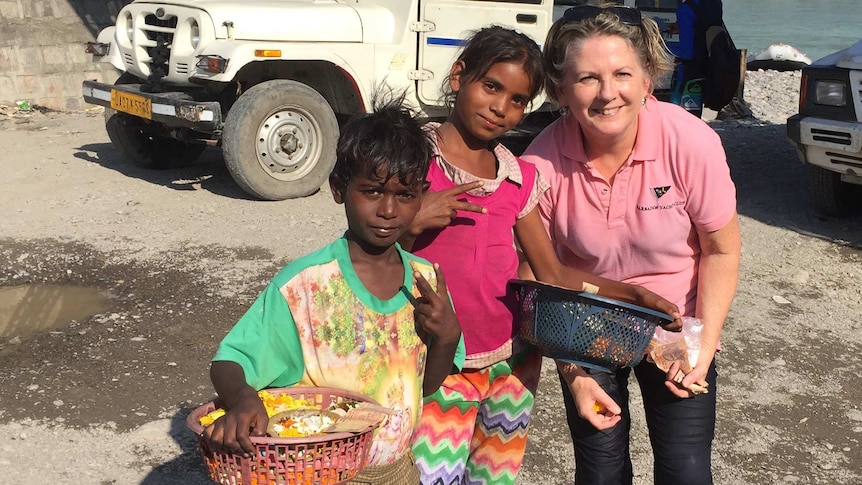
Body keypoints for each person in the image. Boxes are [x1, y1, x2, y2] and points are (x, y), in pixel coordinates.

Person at [402, 25, 682, 485]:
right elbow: (372, 246)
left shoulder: (517, 178)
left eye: (518, 100)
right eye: (491, 87)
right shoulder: (414, 157)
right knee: (427, 476)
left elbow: (552, 271)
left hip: (514, 366)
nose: (500, 108)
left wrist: (632, 293)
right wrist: (414, 222)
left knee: (494, 478)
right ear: (458, 77)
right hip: (437, 362)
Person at [520, 4, 741, 484]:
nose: (607, 94)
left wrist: (703, 344)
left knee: (685, 469)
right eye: (587, 79)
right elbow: (535, 274)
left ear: (648, 81)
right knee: (600, 472)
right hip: (585, 321)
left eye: (622, 73)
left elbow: (721, 249)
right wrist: (573, 374)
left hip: (675, 319)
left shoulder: (691, 143)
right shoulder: (539, 165)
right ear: (560, 90)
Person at [201, 98, 466, 484]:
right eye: (372, 191)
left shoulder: (426, 281)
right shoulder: (304, 286)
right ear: (339, 189)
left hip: (397, 472)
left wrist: (448, 336)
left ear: (422, 195)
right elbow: (229, 361)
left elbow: (423, 388)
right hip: (317, 474)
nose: (389, 210)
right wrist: (241, 398)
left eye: (405, 195)